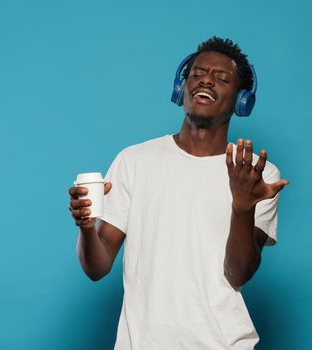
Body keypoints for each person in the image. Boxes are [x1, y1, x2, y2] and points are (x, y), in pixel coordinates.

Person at [68, 36, 289, 349]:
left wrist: (242, 206)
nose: (207, 80)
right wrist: (87, 226)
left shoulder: (256, 173)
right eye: (197, 74)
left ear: (242, 100)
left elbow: (237, 274)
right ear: (180, 88)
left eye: (222, 78)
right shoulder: (134, 161)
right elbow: (97, 267)